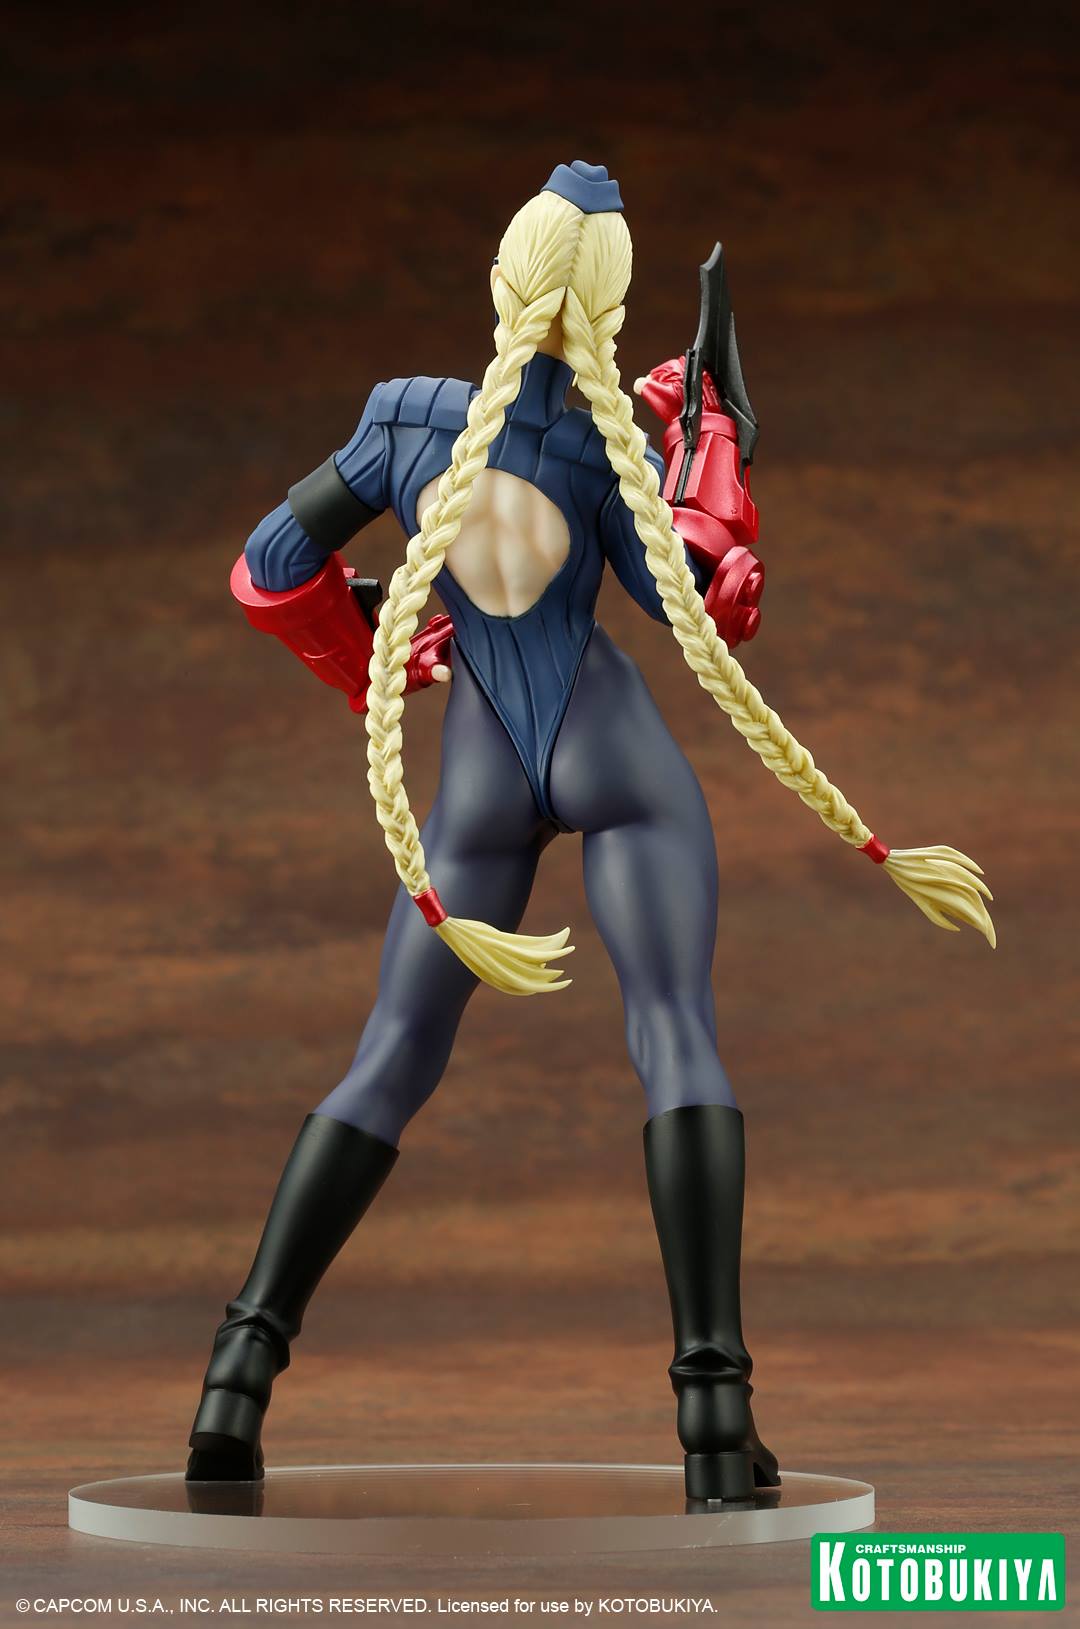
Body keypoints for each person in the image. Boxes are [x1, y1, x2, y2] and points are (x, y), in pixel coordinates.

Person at [187, 162, 993, 1502]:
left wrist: (383, 634)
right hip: (606, 747)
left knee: (387, 1056)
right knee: (673, 1032)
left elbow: (271, 568)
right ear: (603, 318)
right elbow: (708, 599)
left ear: (501, 282)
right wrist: (714, 445)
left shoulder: (403, 423)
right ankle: (715, 1417)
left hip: (481, 767)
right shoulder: (600, 456)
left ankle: (235, 1378)